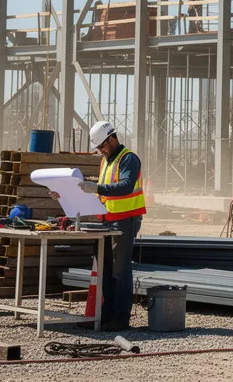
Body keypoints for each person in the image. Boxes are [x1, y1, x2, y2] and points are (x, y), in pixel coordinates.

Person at [76, 121, 145, 332]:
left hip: (125, 219)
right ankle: (105, 316)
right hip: (108, 219)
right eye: (98, 148)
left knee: (120, 270)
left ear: (112, 139)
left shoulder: (129, 159)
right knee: (105, 270)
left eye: (102, 146)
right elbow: (103, 191)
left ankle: (121, 318)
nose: (100, 151)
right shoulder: (107, 161)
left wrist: (95, 187)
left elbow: (124, 186)